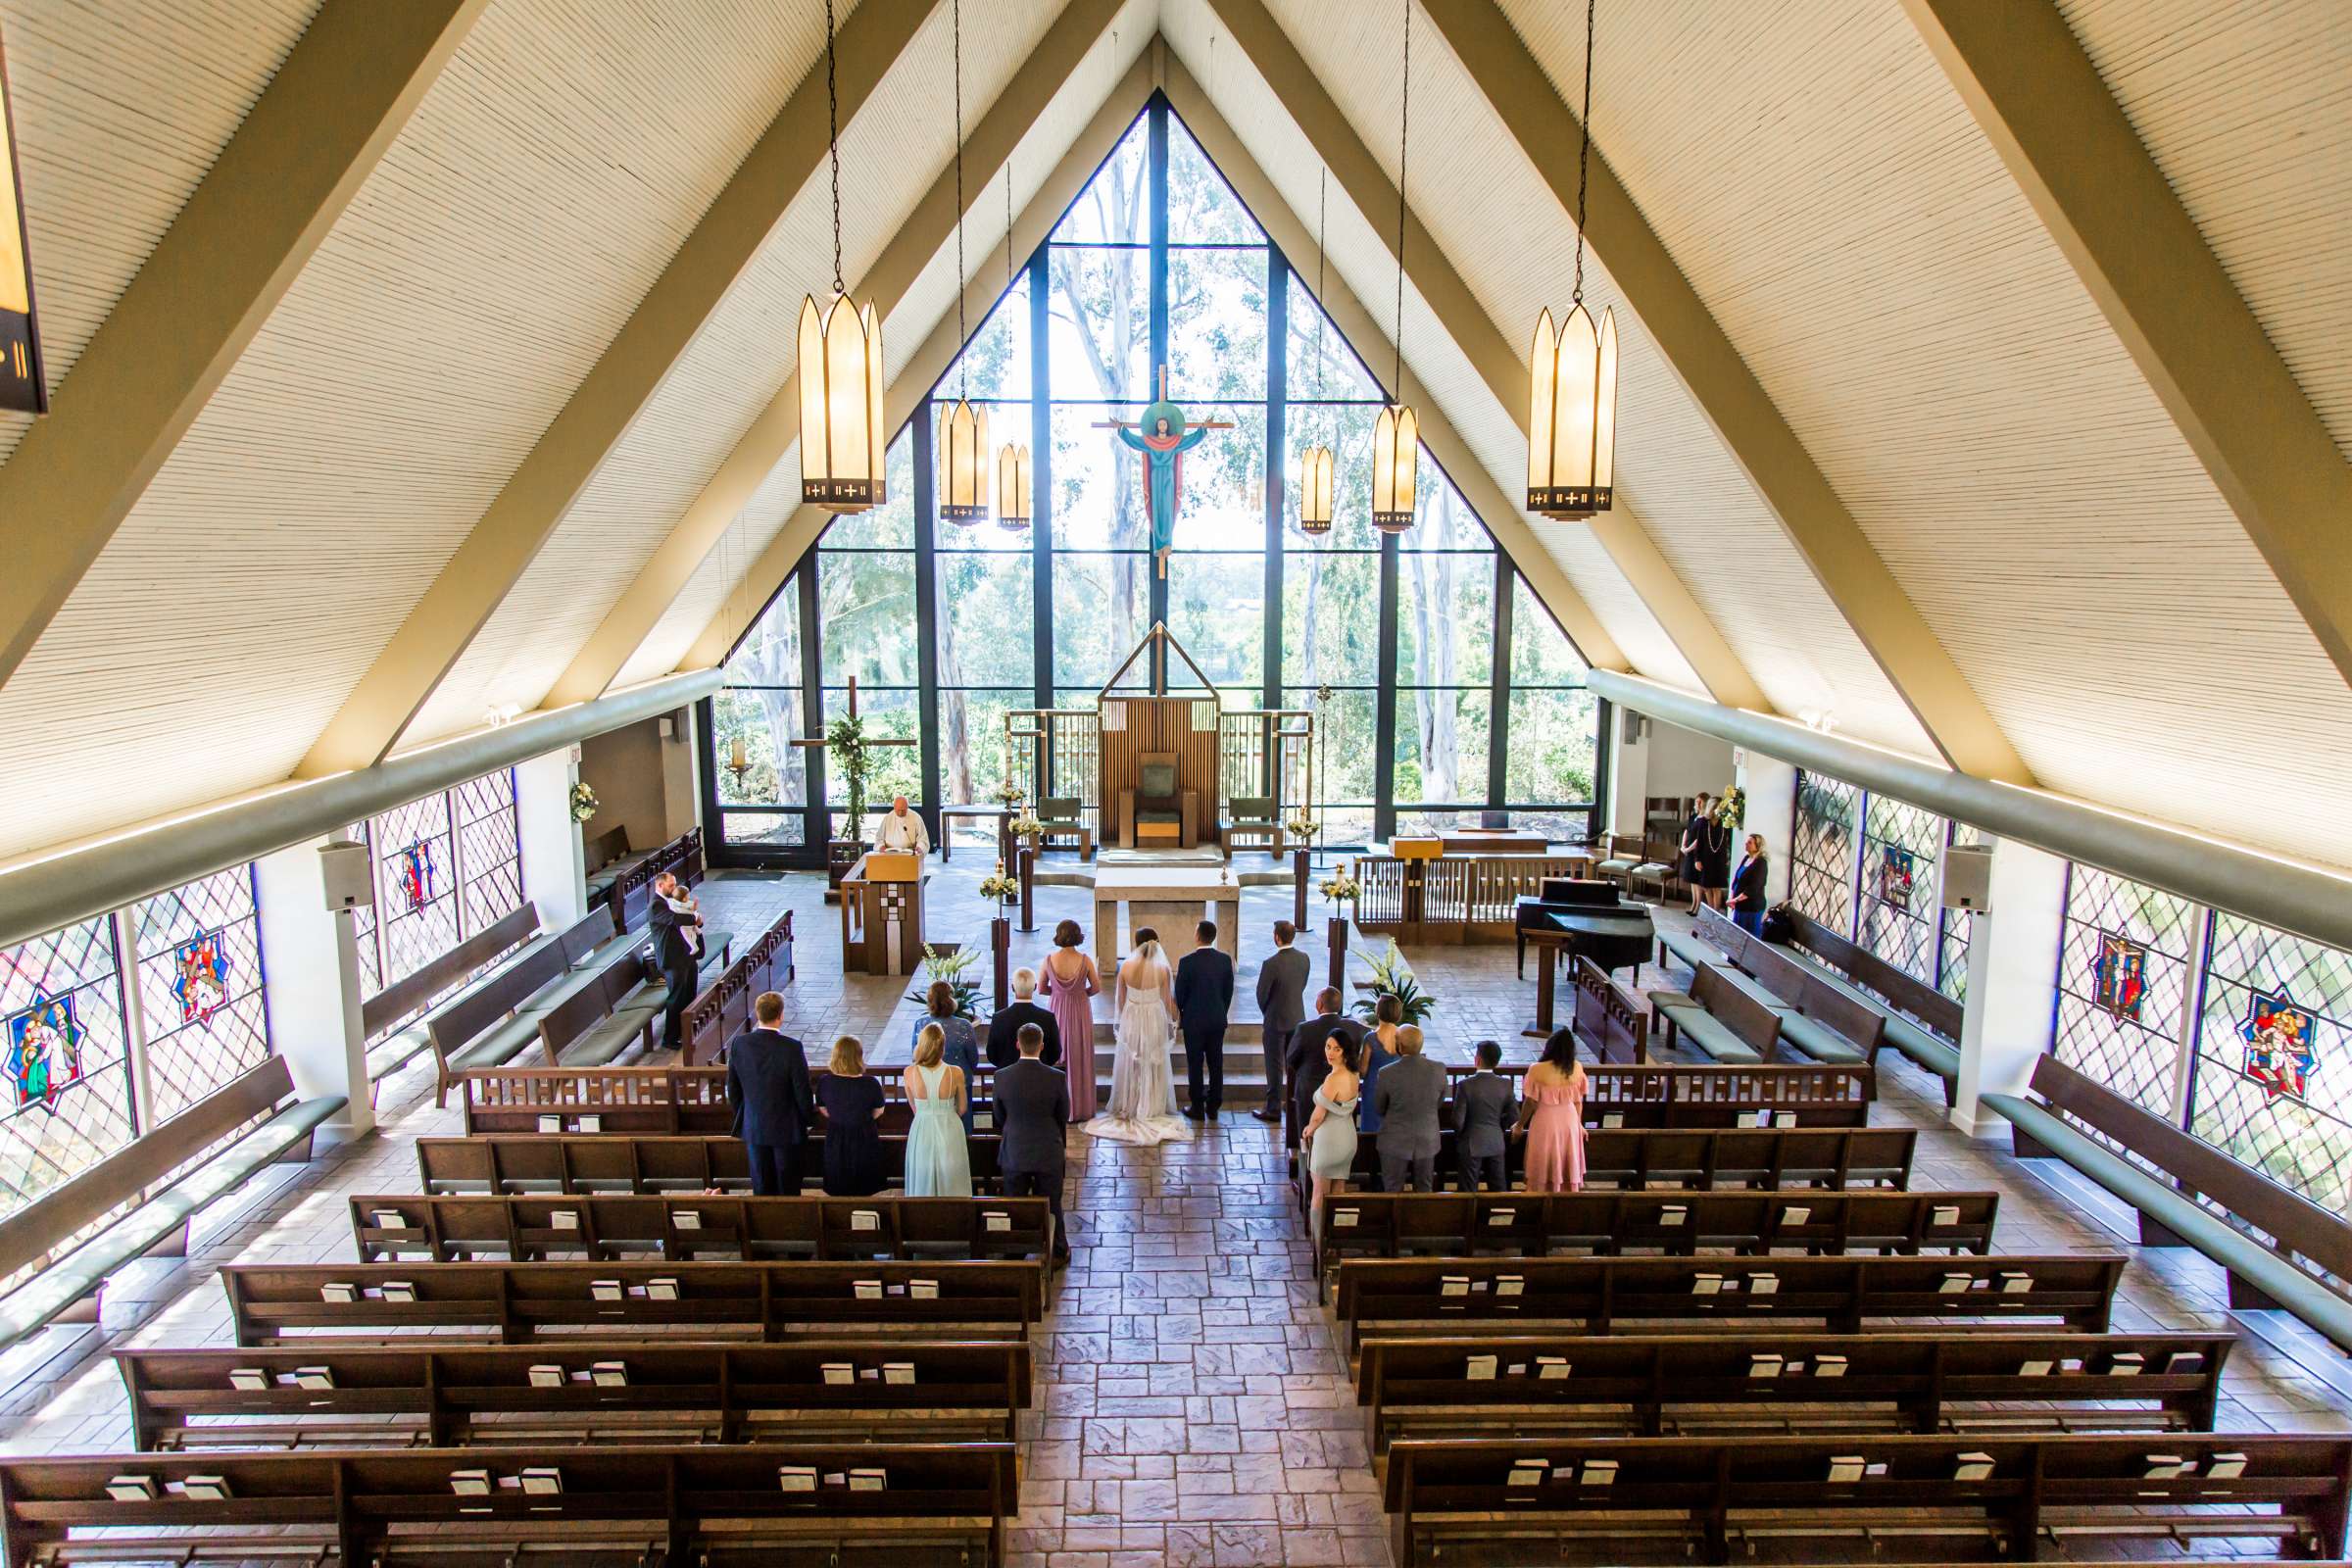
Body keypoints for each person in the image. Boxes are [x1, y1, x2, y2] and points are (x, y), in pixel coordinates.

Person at [1086, 928, 1193, 1146]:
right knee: (1152, 1060)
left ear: (1136, 944)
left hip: (1132, 1017)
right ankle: (1152, 1105)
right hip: (1153, 1017)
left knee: (1132, 1060)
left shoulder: (1125, 966)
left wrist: (1127, 1020)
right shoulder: (1162, 969)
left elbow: (1120, 1001)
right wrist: (1176, 1020)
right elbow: (1167, 1001)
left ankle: (1131, 1103)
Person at [722, 991, 813, 1196]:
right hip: (787, 1128)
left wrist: (744, 1116)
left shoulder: (740, 1044)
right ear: (781, 1015)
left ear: (757, 1013)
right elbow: (802, 1090)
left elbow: (733, 1088)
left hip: (754, 1126)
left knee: (761, 1185)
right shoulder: (791, 1047)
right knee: (787, 1185)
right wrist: (807, 1119)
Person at [994, 1023, 1071, 1261]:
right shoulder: (1057, 1077)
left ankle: (1014, 1250)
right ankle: (1058, 1249)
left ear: (1018, 1045)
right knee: (1052, 1203)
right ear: (1042, 1045)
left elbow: (999, 1115)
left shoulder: (1002, 1076)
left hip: (1015, 1150)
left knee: (1014, 1204)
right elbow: (1063, 1115)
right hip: (1048, 1150)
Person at [1286, 988, 1365, 1152]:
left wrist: (1305, 1071)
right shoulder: (1354, 1027)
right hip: (1342, 1092)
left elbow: (1291, 1058)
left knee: (1308, 1135)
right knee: (1336, 1137)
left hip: (1309, 1090)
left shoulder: (1305, 1029)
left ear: (1319, 1004)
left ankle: (1308, 1170)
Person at [1300, 1032, 1362, 1238]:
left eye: (1337, 1048)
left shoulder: (1333, 1078)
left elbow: (1318, 1116)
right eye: (1328, 1047)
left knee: (1319, 1191)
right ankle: (1336, 1238)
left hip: (1329, 1140)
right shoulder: (1354, 1074)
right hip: (1347, 1137)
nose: (1330, 1052)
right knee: (1339, 1189)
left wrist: (1309, 1129)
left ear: (1345, 1051)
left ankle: (1318, 1243)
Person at [1512, 1028, 1590, 1194]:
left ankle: (1540, 1195)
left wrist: (1519, 1125)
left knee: (1544, 1155)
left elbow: (1531, 1102)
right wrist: (1579, 1124)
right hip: (1570, 1120)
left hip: (1546, 1119)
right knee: (1565, 1158)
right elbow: (1578, 1101)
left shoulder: (1536, 1069)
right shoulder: (1577, 1068)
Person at [1372, 1024, 1446, 1193]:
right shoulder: (1438, 1069)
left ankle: (1395, 1219)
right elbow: (1439, 1102)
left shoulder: (1386, 1073)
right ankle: (1422, 1219)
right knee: (1424, 1189)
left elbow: (1379, 1107)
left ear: (1399, 1046)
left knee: (1392, 1189)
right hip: (1427, 1139)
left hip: (1394, 1140)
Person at [1041, 921, 1102, 1122]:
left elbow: (1041, 988)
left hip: (1058, 1008)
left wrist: (1059, 993)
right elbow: (1096, 987)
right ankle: (1081, 1107)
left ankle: (1060, 1108)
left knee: (1058, 1054)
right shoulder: (1085, 960)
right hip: (1080, 1009)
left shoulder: (1049, 959)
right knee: (1079, 1053)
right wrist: (1079, 993)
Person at [902, 1022, 973, 1197]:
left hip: (922, 1126)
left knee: (923, 1175)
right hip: (949, 1125)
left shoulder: (909, 1072)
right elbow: (963, 1108)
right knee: (951, 1176)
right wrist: (947, 1114)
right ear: (942, 1045)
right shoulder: (955, 1072)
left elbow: (915, 1108)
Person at [1173, 920, 1235, 1120]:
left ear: (1198, 936)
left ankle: (1197, 1107)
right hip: (1217, 1019)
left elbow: (1180, 994)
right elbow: (1228, 992)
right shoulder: (1225, 960)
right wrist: (1220, 1011)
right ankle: (1214, 1106)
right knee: (1216, 1063)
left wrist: (1183, 1013)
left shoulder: (1187, 961)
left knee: (1195, 1063)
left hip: (1194, 1021)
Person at [1252, 920, 1310, 1124]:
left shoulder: (1271, 964)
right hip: (1297, 1018)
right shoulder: (1304, 958)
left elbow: (1262, 994)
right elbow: (1302, 985)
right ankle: (1293, 1103)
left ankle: (1273, 1108)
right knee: (1293, 1063)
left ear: (1277, 937)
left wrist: (1269, 1012)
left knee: (1274, 1064)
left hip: (1275, 1021)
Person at [816, 1035, 887, 1197]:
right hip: (864, 1134)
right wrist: (860, 1118)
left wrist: (840, 1116)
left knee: (838, 1180)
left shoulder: (826, 1081)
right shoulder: (870, 1083)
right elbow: (879, 1110)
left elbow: (822, 1107)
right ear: (859, 1057)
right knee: (865, 1184)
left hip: (836, 1134)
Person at [644, 871, 703, 1053]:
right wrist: (694, 917)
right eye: (671, 885)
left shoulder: (671, 901)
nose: (674, 888)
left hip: (685, 955)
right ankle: (670, 1038)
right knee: (676, 998)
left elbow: (684, 914)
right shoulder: (656, 905)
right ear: (659, 885)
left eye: (675, 884)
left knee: (689, 994)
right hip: (672, 958)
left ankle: (686, 1031)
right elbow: (675, 920)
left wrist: (696, 920)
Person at [912, 981, 981, 1132]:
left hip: (929, 1085)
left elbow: (915, 1057)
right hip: (959, 1084)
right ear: (951, 1000)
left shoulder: (921, 1024)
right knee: (962, 1128)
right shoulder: (964, 1026)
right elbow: (973, 1059)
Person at [1453, 1040, 1518, 1193]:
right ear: (1497, 1062)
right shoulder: (1505, 1084)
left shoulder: (1466, 1085)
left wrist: (1460, 1136)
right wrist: (1499, 1128)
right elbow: (1514, 1116)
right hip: (1496, 1141)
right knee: (1497, 1189)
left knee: (1468, 1191)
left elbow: (1458, 1121)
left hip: (1471, 1142)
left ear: (1477, 1059)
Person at [1354, 994, 1403, 1187]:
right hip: (1397, 1089)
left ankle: (1373, 1179)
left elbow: (1363, 1070)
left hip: (1374, 1089)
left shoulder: (1371, 1038)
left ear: (1378, 1012)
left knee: (1372, 1134)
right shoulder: (1403, 1036)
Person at [985, 968, 1061, 1069]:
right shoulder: (1048, 1018)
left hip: (1007, 1078)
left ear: (1013, 988)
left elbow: (991, 1053)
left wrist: (1005, 1067)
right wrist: (1043, 1066)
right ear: (1035, 987)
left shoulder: (999, 1018)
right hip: (1040, 1076)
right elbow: (1056, 1052)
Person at [1681, 792, 1730, 915]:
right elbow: (1700, 841)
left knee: (1716, 887)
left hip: (1718, 859)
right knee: (1706, 886)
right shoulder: (1704, 822)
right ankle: (1710, 911)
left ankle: (1715, 913)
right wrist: (1697, 859)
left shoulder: (1724, 823)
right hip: (1706, 857)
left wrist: (1727, 857)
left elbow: (1726, 842)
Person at [1727, 833, 1771, 937]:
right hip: (1740, 905)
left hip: (1752, 906)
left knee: (1749, 937)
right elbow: (1737, 879)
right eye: (1747, 842)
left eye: (1750, 842)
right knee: (1737, 935)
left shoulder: (1761, 863)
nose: (1746, 844)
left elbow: (1754, 887)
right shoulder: (1747, 858)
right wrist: (1733, 897)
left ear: (1758, 846)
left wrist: (1736, 900)